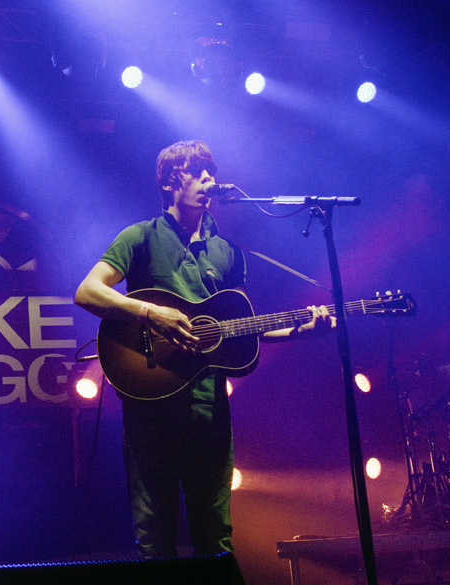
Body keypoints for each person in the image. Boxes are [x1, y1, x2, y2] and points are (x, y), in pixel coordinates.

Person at [74, 140, 332, 557]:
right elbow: (87, 292)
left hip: (208, 407)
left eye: (210, 171)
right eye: (196, 172)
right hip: (150, 405)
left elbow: (243, 327)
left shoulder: (228, 252)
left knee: (214, 535)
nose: (209, 179)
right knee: (155, 536)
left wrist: (301, 333)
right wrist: (150, 314)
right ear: (169, 183)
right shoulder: (140, 237)